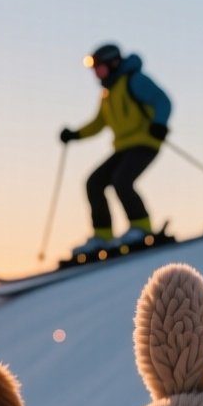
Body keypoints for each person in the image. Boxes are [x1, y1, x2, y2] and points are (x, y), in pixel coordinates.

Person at [59, 43, 171, 255]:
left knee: (122, 180)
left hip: (145, 142)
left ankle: (141, 228)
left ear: (113, 63)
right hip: (123, 147)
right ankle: (103, 236)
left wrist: (160, 123)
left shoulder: (134, 81)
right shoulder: (107, 93)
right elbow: (98, 123)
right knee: (94, 182)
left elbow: (162, 100)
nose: (96, 73)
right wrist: (74, 135)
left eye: (99, 68)